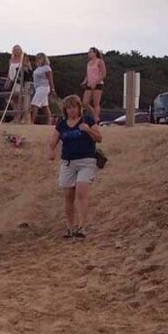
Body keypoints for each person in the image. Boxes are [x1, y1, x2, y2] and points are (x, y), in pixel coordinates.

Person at [49, 95, 103, 238]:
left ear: (79, 108)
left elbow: (99, 138)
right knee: (68, 195)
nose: (71, 110)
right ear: (65, 110)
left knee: (81, 192)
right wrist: (51, 150)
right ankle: (70, 227)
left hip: (86, 160)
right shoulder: (62, 124)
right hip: (68, 162)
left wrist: (88, 130)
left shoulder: (87, 121)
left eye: (74, 107)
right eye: (69, 108)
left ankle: (82, 226)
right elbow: (54, 138)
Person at [6, 45, 31, 123]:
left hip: (22, 81)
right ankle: (16, 116)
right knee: (14, 100)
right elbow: (9, 71)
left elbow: (29, 70)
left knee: (23, 99)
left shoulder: (24, 59)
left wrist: (25, 65)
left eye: (18, 49)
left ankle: (24, 118)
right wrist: (8, 81)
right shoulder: (11, 60)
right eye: (15, 49)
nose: (16, 51)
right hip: (14, 81)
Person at [81, 47, 107, 120]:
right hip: (89, 84)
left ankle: (95, 119)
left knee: (96, 103)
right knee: (85, 102)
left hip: (98, 84)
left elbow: (104, 74)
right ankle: (94, 115)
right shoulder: (89, 63)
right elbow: (88, 74)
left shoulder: (99, 61)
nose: (89, 54)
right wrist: (85, 81)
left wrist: (96, 81)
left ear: (95, 53)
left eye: (91, 52)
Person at [30, 53, 56, 125]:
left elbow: (50, 79)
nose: (38, 60)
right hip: (38, 88)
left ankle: (31, 121)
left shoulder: (47, 68)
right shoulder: (38, 68)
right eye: (37, 58)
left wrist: (52, 89)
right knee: (45, 106)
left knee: (35, 104)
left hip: (44, 87)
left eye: (40, 58)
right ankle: (49, 122)